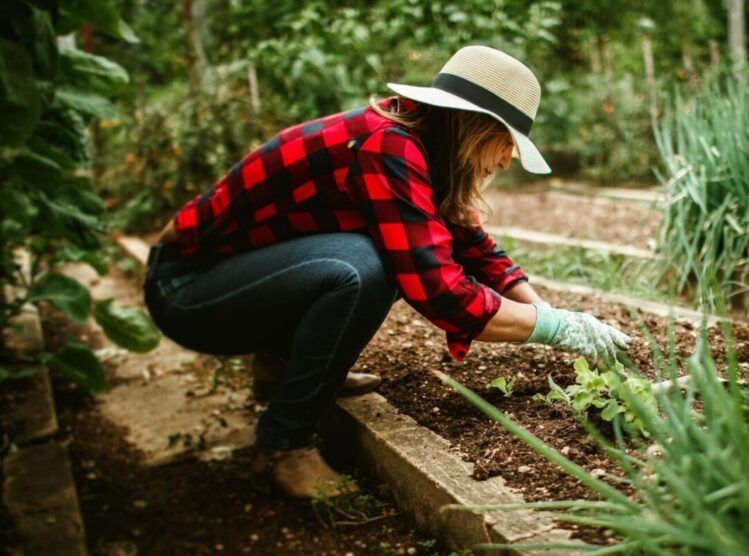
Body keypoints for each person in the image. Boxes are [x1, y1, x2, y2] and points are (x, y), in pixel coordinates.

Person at [143, 45, 631, 500]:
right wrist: (558, 330)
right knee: (363, 268)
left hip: (237, 282)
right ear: (473, 128)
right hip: (188, 290)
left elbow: (475, 248)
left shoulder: (421, 148)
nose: (506, 159)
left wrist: (548, 311)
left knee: (377, 256)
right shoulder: (387, 148)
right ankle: (282, 446)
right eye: (505, 143)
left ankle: (283, 367)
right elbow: (441, 291)